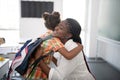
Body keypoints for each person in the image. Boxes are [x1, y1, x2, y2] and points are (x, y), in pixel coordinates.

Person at [23, 12, 83, 80]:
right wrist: (80, 47)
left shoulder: (45, 36)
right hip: (37, 72)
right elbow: (68, 55)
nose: (57, 28)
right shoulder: (54, 40)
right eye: (59, 26)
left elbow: (58, 63)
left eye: (60, 28)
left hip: (31, 70)